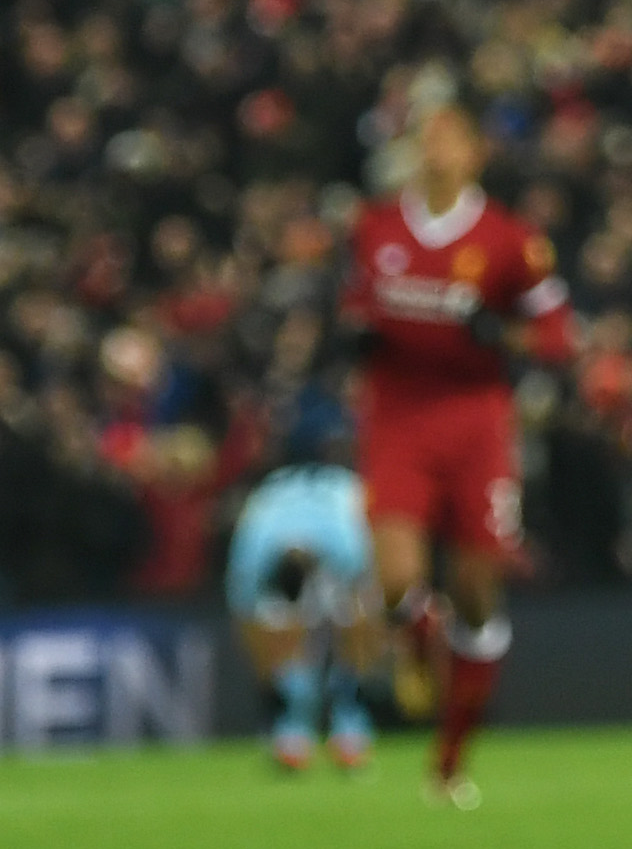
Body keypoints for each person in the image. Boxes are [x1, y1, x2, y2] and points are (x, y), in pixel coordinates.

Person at [341, 98, 573, 807]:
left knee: (476, 591)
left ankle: (449, 758)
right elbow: (355, 305)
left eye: (448, 137)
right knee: (393, 578)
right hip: (399, 417)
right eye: (425, 138)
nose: (434, 149)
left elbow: (559, 338)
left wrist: (500, 337)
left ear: (475, 153)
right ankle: (418, 637)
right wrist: (354, 333)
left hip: (476, 424)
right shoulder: (375, 227)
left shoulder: (509, 240)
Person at [225, 452, 378, 772]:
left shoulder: (348, 543)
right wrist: (276, 684)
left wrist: (354, 673)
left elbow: (368, 608)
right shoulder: (253, 554)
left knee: (354, 623)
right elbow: (247, 620)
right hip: (284, 520)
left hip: (344, 518)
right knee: (280, 636)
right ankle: (291, 728)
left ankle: (351, 723)